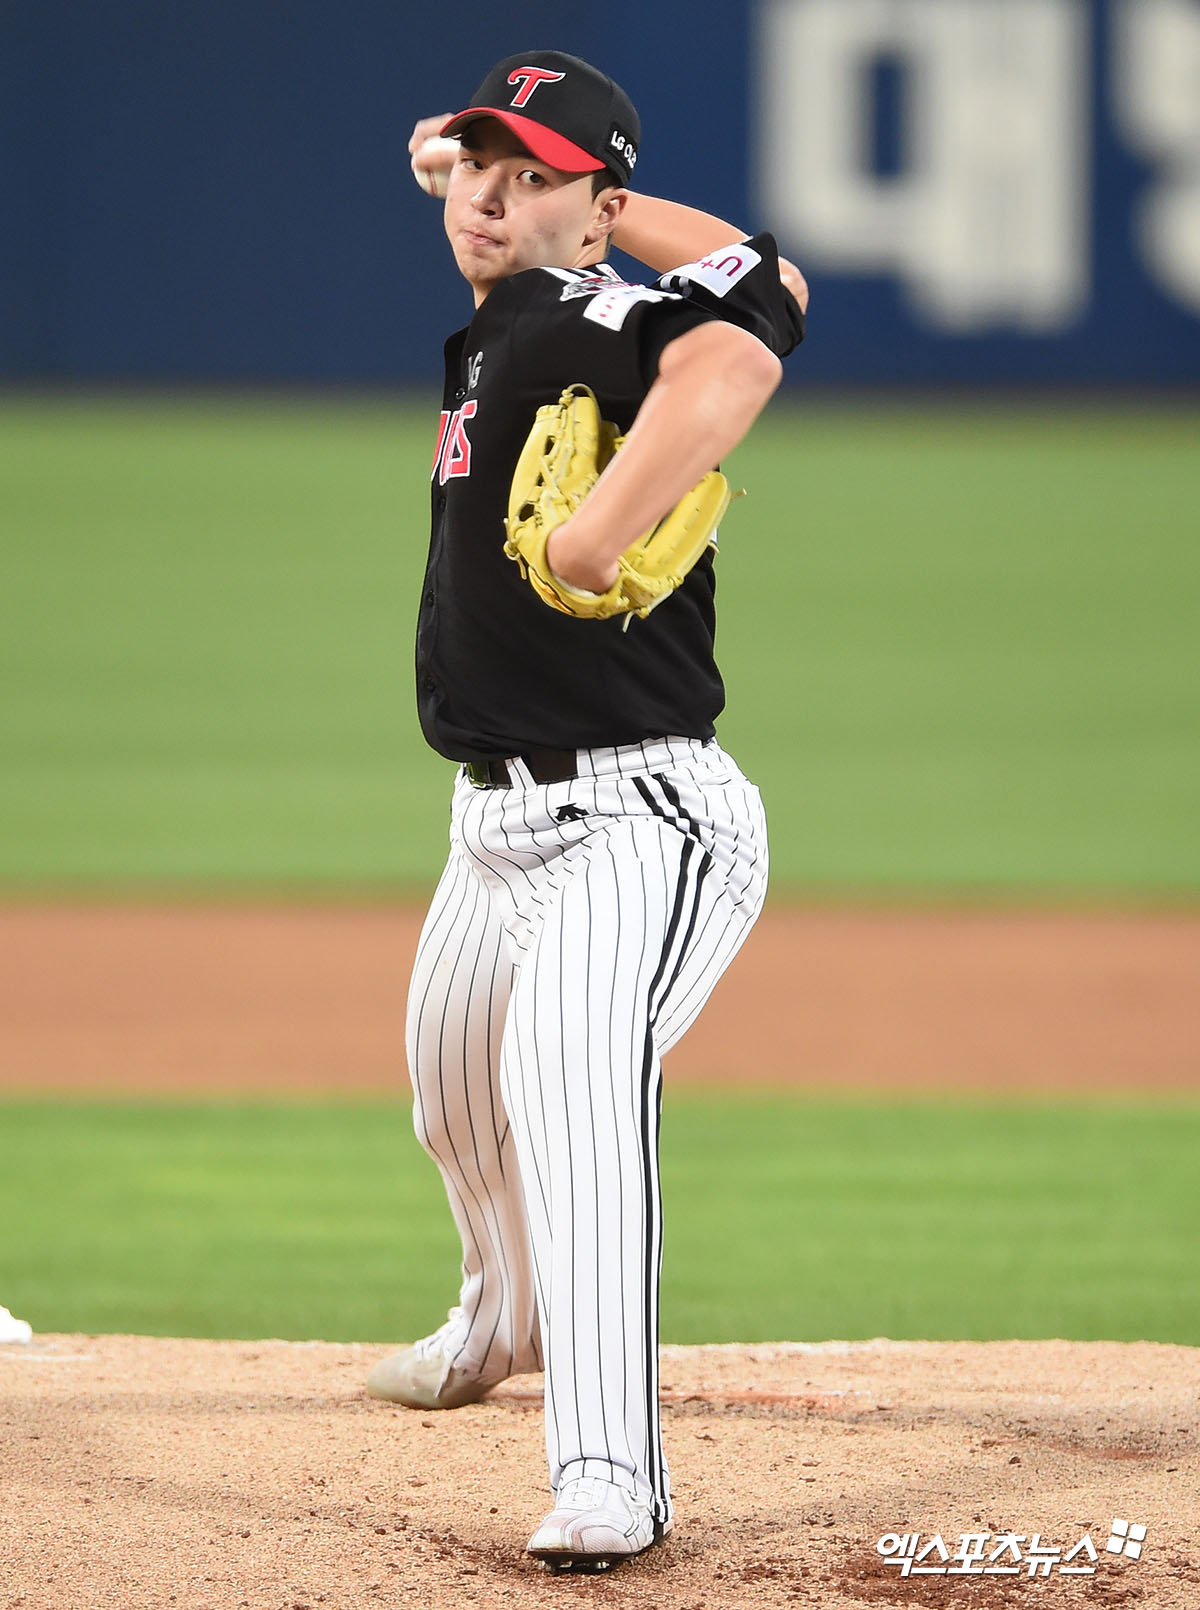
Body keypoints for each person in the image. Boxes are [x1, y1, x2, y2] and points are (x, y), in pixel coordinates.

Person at [367, 50, 807, 1572]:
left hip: (643, 816)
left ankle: (613, 1471)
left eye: (531, 172)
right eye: (480, 164)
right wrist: (482, 177)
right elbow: (768, 278)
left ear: (601, 208)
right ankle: (496, 1318)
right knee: (449, 1097)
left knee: (569, 1094)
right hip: (493, 824)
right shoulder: (524, 301)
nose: (489, 192)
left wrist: (603, 525)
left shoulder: (603, 309)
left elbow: (752, 347)